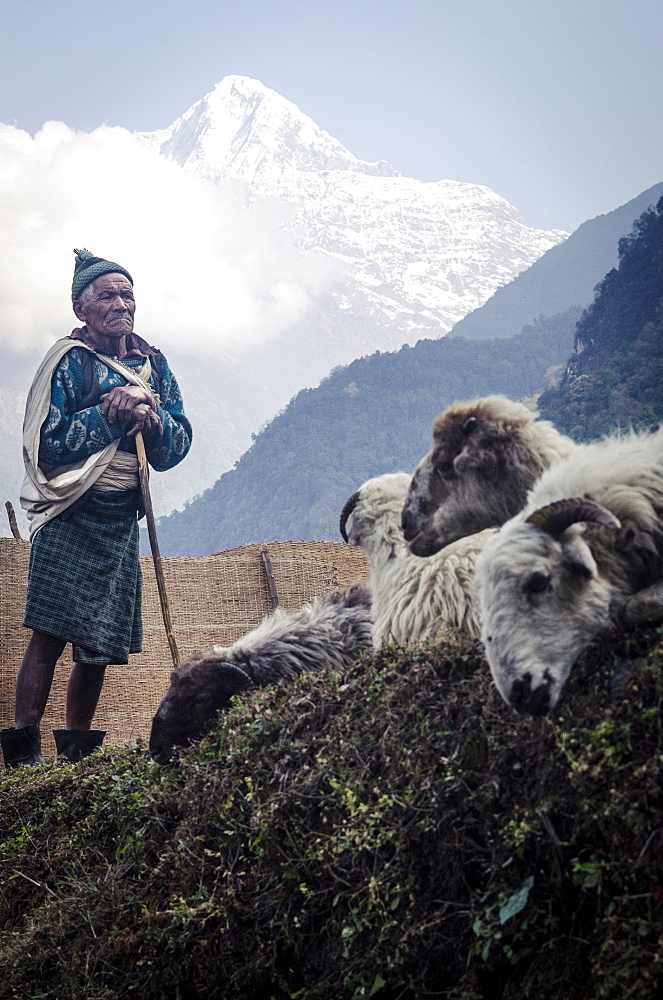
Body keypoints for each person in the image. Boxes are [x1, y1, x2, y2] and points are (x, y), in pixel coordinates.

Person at [0, 250, 192, 768]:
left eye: (127, 294)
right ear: (81, 307)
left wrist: (151, 421)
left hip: (120, 520)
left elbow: (178, 445)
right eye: (107, 295)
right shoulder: (68, 363)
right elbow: (47, 444)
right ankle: (22, 754)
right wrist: (108, 417)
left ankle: (77, 757)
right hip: (70, 515)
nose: (121, 304)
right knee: (50, 631)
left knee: (99, 642)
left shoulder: (154, 365)